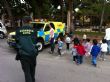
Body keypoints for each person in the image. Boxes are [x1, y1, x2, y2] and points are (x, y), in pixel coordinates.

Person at [15, 16, 38, 82]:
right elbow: (35, 42)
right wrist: (36, 52)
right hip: (32, 54)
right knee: (32, 71)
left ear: (23, 22)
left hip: (23, 55)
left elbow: (17, 43)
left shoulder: (18, 30)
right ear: (30, 22)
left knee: (27, 73)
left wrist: (19, 52)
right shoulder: (34, 30)